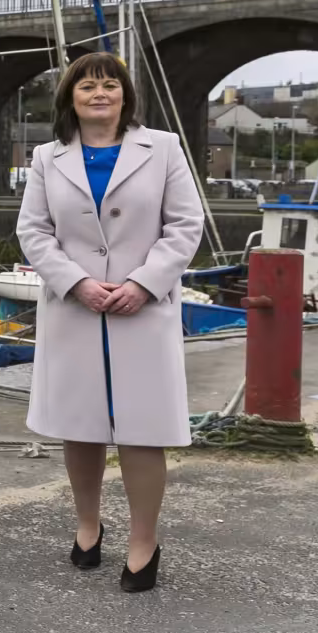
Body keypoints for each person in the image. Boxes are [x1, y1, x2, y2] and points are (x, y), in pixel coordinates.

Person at [17, 51, 204, 594]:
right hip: (76, 309)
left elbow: (185, 224)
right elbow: (34, 231)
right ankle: (87, 525)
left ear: (126, 95)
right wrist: (74, 281)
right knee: (82, 428)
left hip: (142, 310)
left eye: (110, 85)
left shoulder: (163, 148)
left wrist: (144, 282)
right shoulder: (48, 157)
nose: (99, 93)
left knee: (144, 431)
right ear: (69, 98)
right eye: (87, 86)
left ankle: (144, 540)